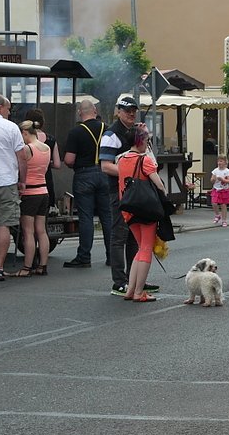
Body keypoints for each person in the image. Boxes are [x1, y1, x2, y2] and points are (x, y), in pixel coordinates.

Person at [100, 96, 158, 297]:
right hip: (119, 191)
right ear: (118, 111)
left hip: (136, 191)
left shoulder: (133, 132)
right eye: (127, 110)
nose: (131, 113)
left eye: (133, 110)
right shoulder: (111, 135)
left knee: (135, 237)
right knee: (119, 235)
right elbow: (106, 166)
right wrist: (132, 172)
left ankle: (135, 280)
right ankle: (119, 282)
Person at [116, 123, 167, 302]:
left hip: (128, 210)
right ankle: (138, 292)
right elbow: (158, 183)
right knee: (146, 248)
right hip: (145, 209)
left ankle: (130, 290)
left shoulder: (121, 159)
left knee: (140, 247)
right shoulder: (143, 159)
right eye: (146, 140)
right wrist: (164, 193)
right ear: (139, 141)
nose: (147, 143)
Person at [62, 100, 113, 268]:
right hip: (106, 173)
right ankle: (112, 256)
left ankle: (84, 256)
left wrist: (73, 165)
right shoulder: (108, 129)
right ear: (95, 110)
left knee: (86, 218)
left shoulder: (76, 132)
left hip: (84, 175)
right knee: (107, 216)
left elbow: (69, 159)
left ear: (79, 112)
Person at [0, 95, 27, 281]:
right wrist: (22, 181)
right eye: (8, 109)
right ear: (1, 107)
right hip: (7, 182)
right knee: (4, 225)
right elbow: (21, 157)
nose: (9, 113)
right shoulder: (11, 128)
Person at [12, 120, 51, 277]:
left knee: (28, 232)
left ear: (25, 133)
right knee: (41, 231)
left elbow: (20, 167)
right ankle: (43, 265)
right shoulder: (46, 148)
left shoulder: (27, 149)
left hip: (29, 193)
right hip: (43, 191)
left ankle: (27, 267)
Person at [24, 108, 61, 213]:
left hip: (29, 184)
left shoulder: (25, 139)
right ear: (42, 122)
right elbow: (58, 164)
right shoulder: (51, 139)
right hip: (46, 183)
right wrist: (47, 162)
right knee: (43, 220)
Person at [210, 154, 229, 227]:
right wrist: (213, 179)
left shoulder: (227, 171)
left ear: (225, 162)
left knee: (223, 205)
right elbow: (212, 179)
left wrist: (223, 179)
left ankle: (224, 220)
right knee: (214, 203)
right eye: (218, 161)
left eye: (221, 161)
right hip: (216, 189)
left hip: (224, 190)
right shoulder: (215, 170)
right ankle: (217, 215)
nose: (219, 163)